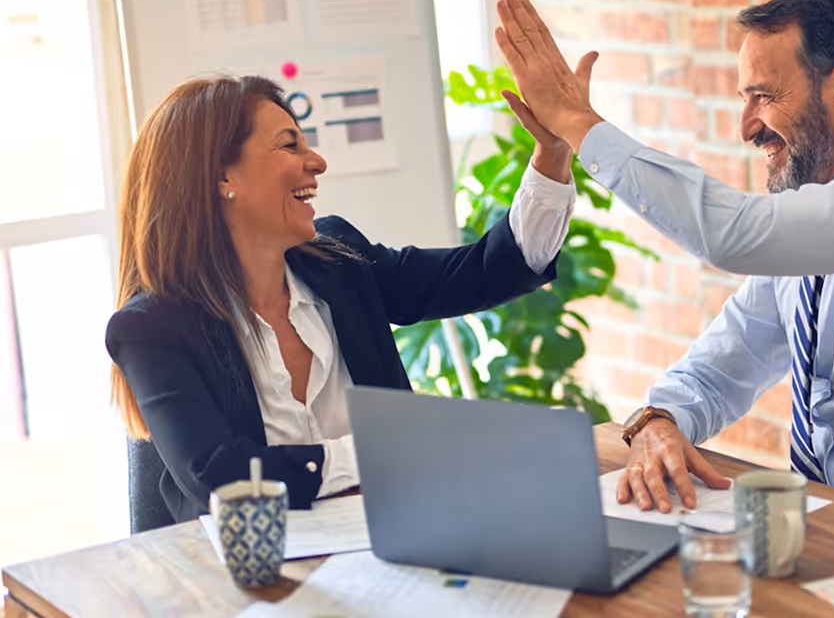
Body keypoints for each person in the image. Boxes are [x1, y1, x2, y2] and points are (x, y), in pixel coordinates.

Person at [493, 0, 834, 533]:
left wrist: (577, 123)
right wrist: (660, 419)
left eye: (764, 96)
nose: (747, 127)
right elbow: (719, 369)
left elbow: (734, 235)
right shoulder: (804, 245)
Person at [107, 75, 576, 523]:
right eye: (290, 145)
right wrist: (380, 450)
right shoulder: (152, 328)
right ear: (221, 177)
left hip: (394, 545)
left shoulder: (339, 263)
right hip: (247, 581)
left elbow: (486, 271)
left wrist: (552, 154)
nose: (317, 162)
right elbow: (223, 479)